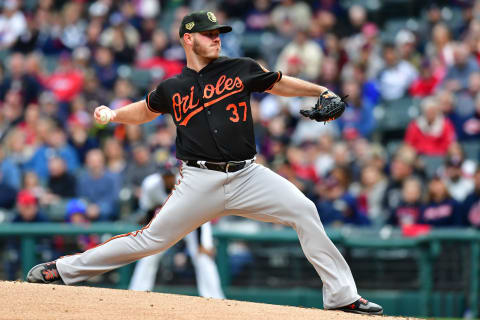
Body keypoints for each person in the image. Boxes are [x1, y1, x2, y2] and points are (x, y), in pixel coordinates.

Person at [27, 11, 382, 315]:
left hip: (247, 175)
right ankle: (62, 270)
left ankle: (341, 298)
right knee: (149, 240)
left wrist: (320, 91)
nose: (216, 39)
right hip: (199, 180)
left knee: (304, 210)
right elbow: (145, 110)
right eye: (208, 34)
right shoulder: (172, 87)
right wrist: (115, 114)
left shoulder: (239, 68)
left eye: (218, 34)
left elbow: (279, 83)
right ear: (187, 39)